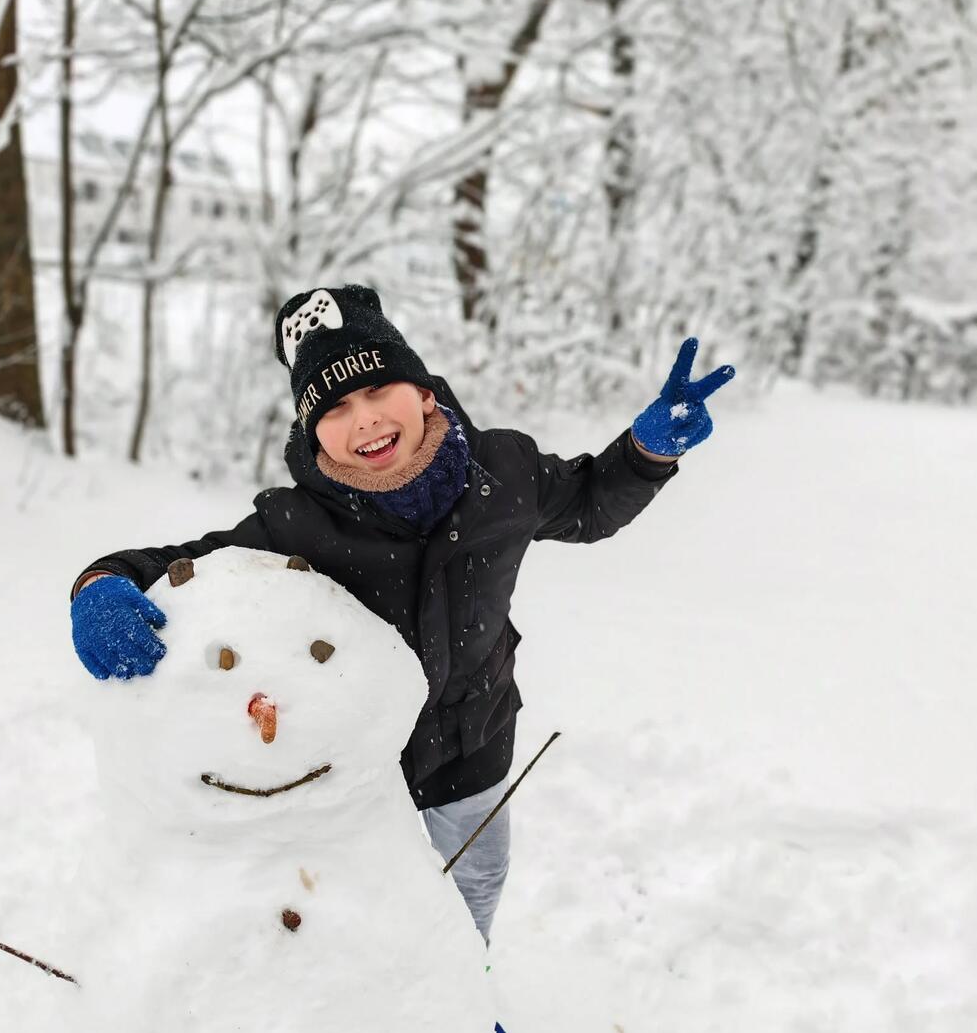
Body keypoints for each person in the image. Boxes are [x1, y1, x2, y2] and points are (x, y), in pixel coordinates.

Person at [70, 283, 735, 955]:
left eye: (376, 390)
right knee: (360, 907)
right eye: (334, 407)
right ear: (311, 430)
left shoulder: (505, 473)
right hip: (361, 760)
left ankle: (466, 988)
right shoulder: (296, 525)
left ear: (422, 393)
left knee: (477, 878)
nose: (364, 421)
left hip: (477, 734)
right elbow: (181, 565)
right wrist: (101, 584)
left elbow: (588, 505)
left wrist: (645, 455)